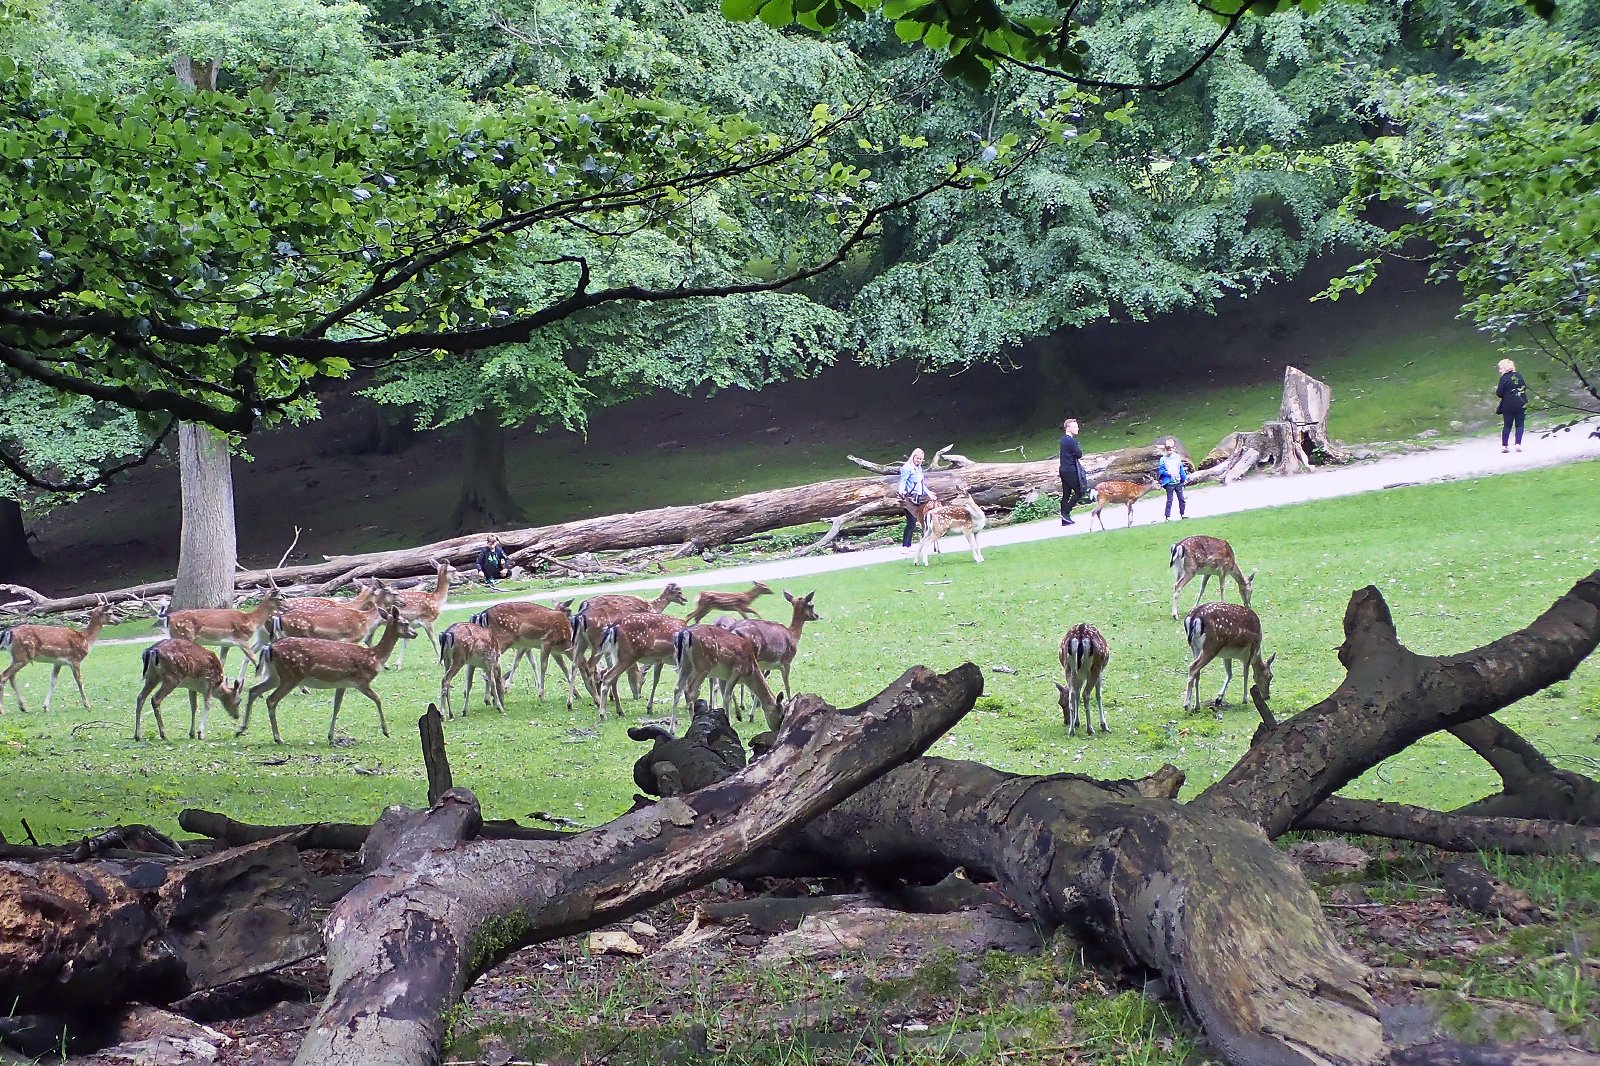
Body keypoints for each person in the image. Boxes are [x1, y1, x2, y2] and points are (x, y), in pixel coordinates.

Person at [898, 448, 936, 549]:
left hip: (917, 498)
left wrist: (929, 493)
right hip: (909, 497)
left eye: (920, 459)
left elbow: (921, 484)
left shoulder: (918, 469)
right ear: (913, 457)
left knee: (914, 522)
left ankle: (908, 545)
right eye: (917, 458)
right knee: (911, 521)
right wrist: (901, 492)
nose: (918, 460)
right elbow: (903, 481)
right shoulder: (907, 467)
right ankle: (905, 546)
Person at [1494, 358, 1529, 453]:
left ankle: (1504, 446)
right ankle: (1518, 444)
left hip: (1508, 405)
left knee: (1507, 425)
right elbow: (1524, 387)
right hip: (1521, 402)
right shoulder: (1518, 375)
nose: (1499, 370)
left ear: (1504, 368)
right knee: (1520, 424)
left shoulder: (1503, 378)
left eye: (1500, 368)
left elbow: (1499, 393)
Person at [1058, 419, 1086, 526]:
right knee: (1080, 491)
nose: (1077, 429)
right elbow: (1079, 454)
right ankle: (1065, 512)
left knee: (1066, 494)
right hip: (1070, 470)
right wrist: (1077, 449)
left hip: (1063, 469)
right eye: (1074, 427)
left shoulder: (1063, 440)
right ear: (1068, 428)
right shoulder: (1071, 441)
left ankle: (1065, 520)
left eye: (1077, 426)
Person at [1157, 439, 1188, 521]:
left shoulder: (1177, 457)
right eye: (1167, 449)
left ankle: (1183, 514)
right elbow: (1161, 470)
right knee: (1169, 500)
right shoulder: (1163, 459)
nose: (1169, 451)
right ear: (1165, 449)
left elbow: (1180, 468)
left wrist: (1184, 478)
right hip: (1169, 484)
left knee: (1181, 499)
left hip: (1178, 482)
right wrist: (1166, 473)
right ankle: (1167, 517)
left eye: (1170, 449)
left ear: (1174, 448)